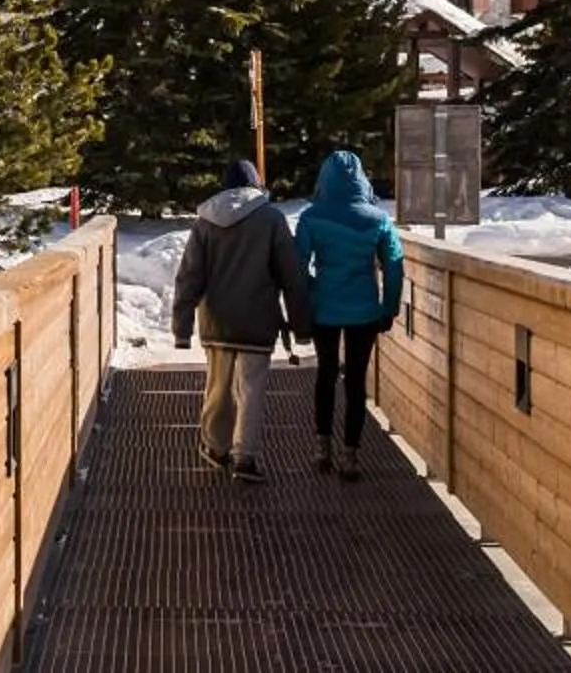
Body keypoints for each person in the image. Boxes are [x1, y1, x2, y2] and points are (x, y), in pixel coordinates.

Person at [169, 158, 311, 483]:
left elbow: (189, 276)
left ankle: (216, 448)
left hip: (217, 321)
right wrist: (301, 326)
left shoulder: (205, 222)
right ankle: (245, 457)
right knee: (252, 390)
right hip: (258, 320)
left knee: (218, 388)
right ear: (255, 185)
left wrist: (182, 328)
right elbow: (292, 277)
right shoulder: (272, 220)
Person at [295, 149, 404, 481]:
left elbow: (297, 266)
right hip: (364, 311)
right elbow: (395, 266)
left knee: (326, 374)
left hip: (325, 309)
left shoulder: (311, 218)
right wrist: (390, 307)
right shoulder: (378, 220)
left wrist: (314, 292)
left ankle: (321, 447)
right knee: (356, 381)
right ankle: (351, 455)